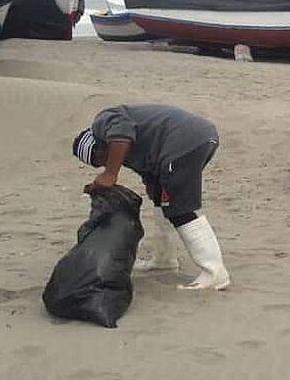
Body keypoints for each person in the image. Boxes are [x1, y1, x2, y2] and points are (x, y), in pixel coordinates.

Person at [73, 104, 230, 290]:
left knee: (179, 210)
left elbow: (122, 134)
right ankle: (164, 260)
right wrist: (156, 194)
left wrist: (110, 174)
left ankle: (215, 273)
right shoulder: (126, 153)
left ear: (101, 145)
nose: (104, 164)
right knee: (163, 201)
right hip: (196, 139)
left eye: (101, 159)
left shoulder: (103, 121)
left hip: (185, 142)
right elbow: (150, 173)